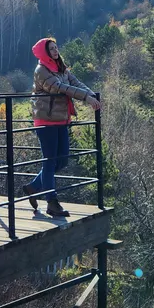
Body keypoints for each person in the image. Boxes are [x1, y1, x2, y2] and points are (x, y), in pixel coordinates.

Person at [23, 37, 101, 218]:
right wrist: (86, 98)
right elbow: (60, 88)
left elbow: (75, 82)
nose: (55, 51)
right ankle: (52, 202)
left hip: (61, 119)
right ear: (44, 52)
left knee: (62, 160)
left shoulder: (61, 68)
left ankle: (34, 186)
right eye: (51, 49)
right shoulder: (41, 70)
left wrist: (91, 94)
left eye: (56, 48)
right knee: (50, 160)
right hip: (46, 120)